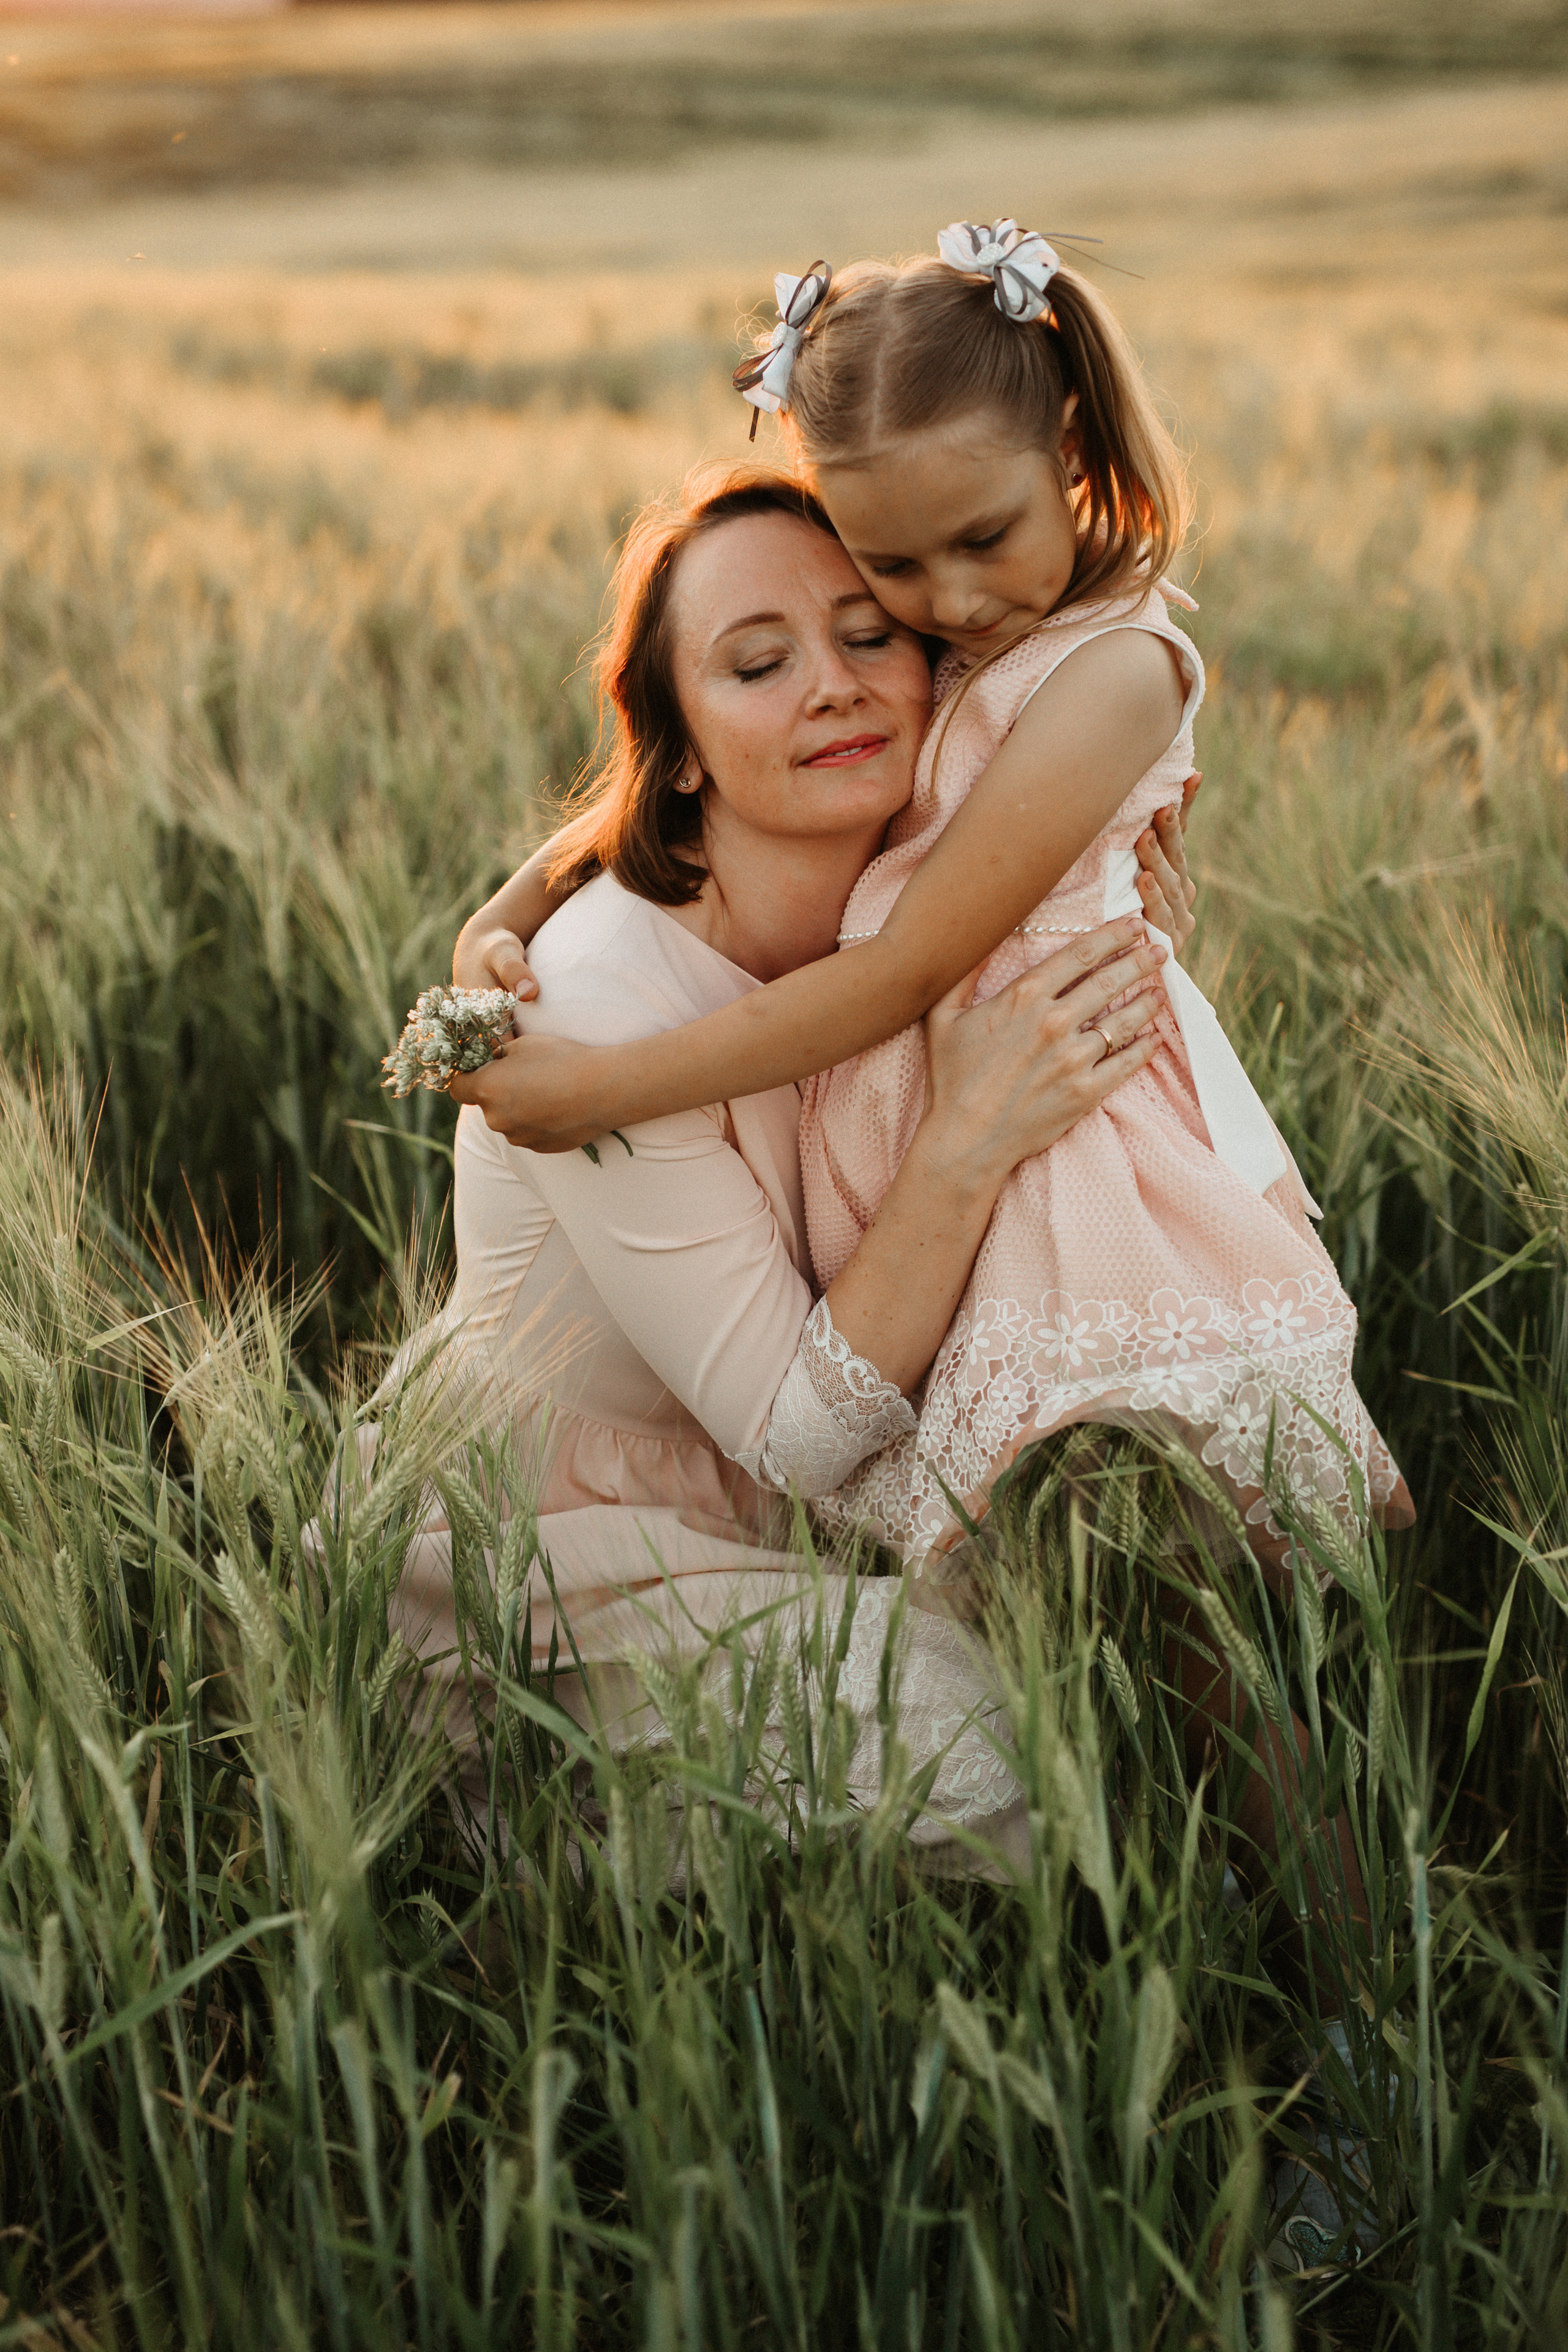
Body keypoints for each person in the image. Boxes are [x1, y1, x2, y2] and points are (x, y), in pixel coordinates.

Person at [453, 222, 1412, 1573]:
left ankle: (1282, 1791)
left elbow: (904, 966)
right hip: (935, 1103)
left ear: (1072, 451)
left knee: (1184, 1529)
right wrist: (496, 922)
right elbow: (638, 791)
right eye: (891, 571)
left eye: (976, 542)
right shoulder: (967, 632)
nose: (948, 604)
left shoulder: (1114, 667)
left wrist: (603, 1093)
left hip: (1058, 1124)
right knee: (1047, 1549)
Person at [392, 468, 1196, 1873]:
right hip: (561, 1550)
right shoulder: (592, 1014)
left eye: (866, 635)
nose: (831, 684)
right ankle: (506, 1834)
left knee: (1126, 1694)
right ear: (683, 748)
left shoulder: (919, 910)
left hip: (824, 1506)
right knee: (986, 1756)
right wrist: (964, 1142)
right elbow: (794, 1430)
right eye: (757, 663)